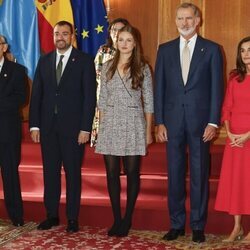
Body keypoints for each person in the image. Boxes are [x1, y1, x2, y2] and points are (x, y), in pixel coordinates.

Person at [154, 2, 223, 243]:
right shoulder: (164, 50)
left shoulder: (212, 50)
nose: (184, 23)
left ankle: (197, 226)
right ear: (175, 21)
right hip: (171, 124)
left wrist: (213, 122)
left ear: (197, 20)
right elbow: (159, 88)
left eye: (189, 18)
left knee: (199, 175)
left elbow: (217, 89)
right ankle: (175, 224)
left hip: (201, 124)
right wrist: (159, 121)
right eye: (180, 19)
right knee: (174, 174)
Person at [29, 21, 96, 233]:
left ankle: (72, 218)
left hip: (74, 130)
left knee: (72, 173)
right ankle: (51, 215)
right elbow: (37, 95)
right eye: (57, 33)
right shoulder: (44, 60)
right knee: (50, 173)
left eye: (65, 34)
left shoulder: (84, 61)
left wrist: (85, 128)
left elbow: (89, 98)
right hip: (48, 128)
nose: (60, 37)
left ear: (72, 36)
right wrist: (34, 125)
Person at [95, 24, 154, 237]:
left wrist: (148, 131)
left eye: (129, 40)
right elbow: (101, 100)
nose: (125, 44)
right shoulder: (107, 66)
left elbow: (149, 101)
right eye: (121, 40)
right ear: (116, 42)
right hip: (110, 123)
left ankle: (127, 218)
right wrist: (101, 127)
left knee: (131, 173)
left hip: (133, 123)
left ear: (135, 43)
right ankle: (117, 218)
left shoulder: (143, 67)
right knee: (111, 173)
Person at [215, 36, 250, 243]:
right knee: (237, 182)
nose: (246, 54)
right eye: (243, 50)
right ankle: (237, 227)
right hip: (234, 138)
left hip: (249, 137)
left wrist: (247, 135)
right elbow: (226, 108)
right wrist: (229, 133)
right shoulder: (235, 78)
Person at [0, 35, 26, 226]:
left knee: (10, 174)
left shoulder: (17, 70)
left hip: (7, 131)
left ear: (4, 47)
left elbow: (21, 98)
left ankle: (16, 216)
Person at [91, 18, 129, 147]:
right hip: (105, 101)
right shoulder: (103, 51)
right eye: (114, 30)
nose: (117, 33)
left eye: (121, 30)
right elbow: (95, 76)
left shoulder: (132, 53)